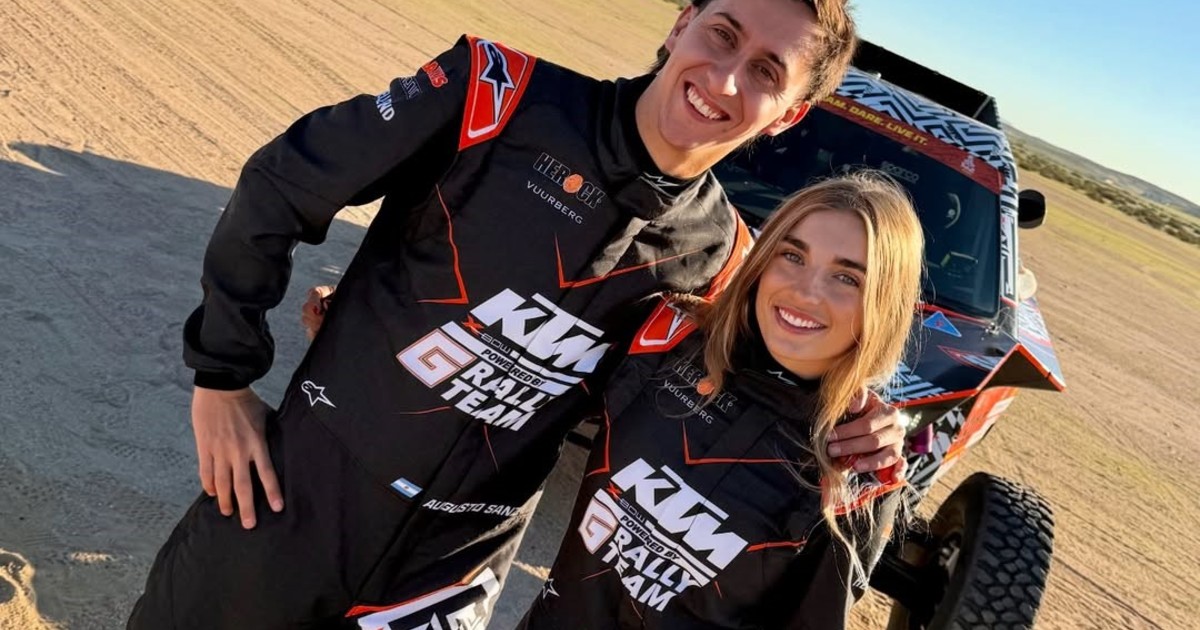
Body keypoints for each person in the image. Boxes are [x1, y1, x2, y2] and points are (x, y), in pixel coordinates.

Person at [129, 1, 908, 627]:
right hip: (292, 499)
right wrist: (223, 378)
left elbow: (770, 385)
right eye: (722, 34)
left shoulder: (724, 257)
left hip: (450, 574)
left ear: (787, 115)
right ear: (680, 25)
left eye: (767, 70)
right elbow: (281, 185)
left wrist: (866, 420)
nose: (727, 78)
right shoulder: (496, 93)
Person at [519, 172, 924, 629]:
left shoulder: (858, 467)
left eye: (847, 278)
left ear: (884, 305)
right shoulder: (664, 337)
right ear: (763, 260)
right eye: (792, 255)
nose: (805, 292)